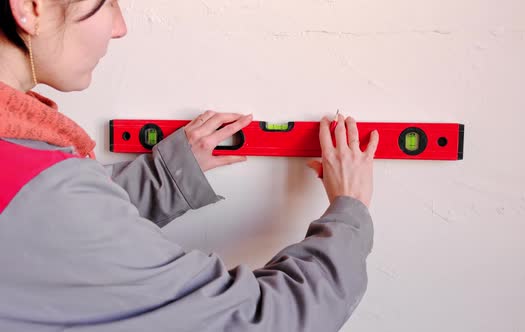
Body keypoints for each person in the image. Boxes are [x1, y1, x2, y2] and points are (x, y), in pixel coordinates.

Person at [0, 0, 380, 331]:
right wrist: (349, 212)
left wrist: (166, 176)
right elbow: (263, 320)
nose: (120, 27)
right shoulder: (50, 194)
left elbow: (47, 236)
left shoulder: (31, 182)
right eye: (108, 3)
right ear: (30, 7)